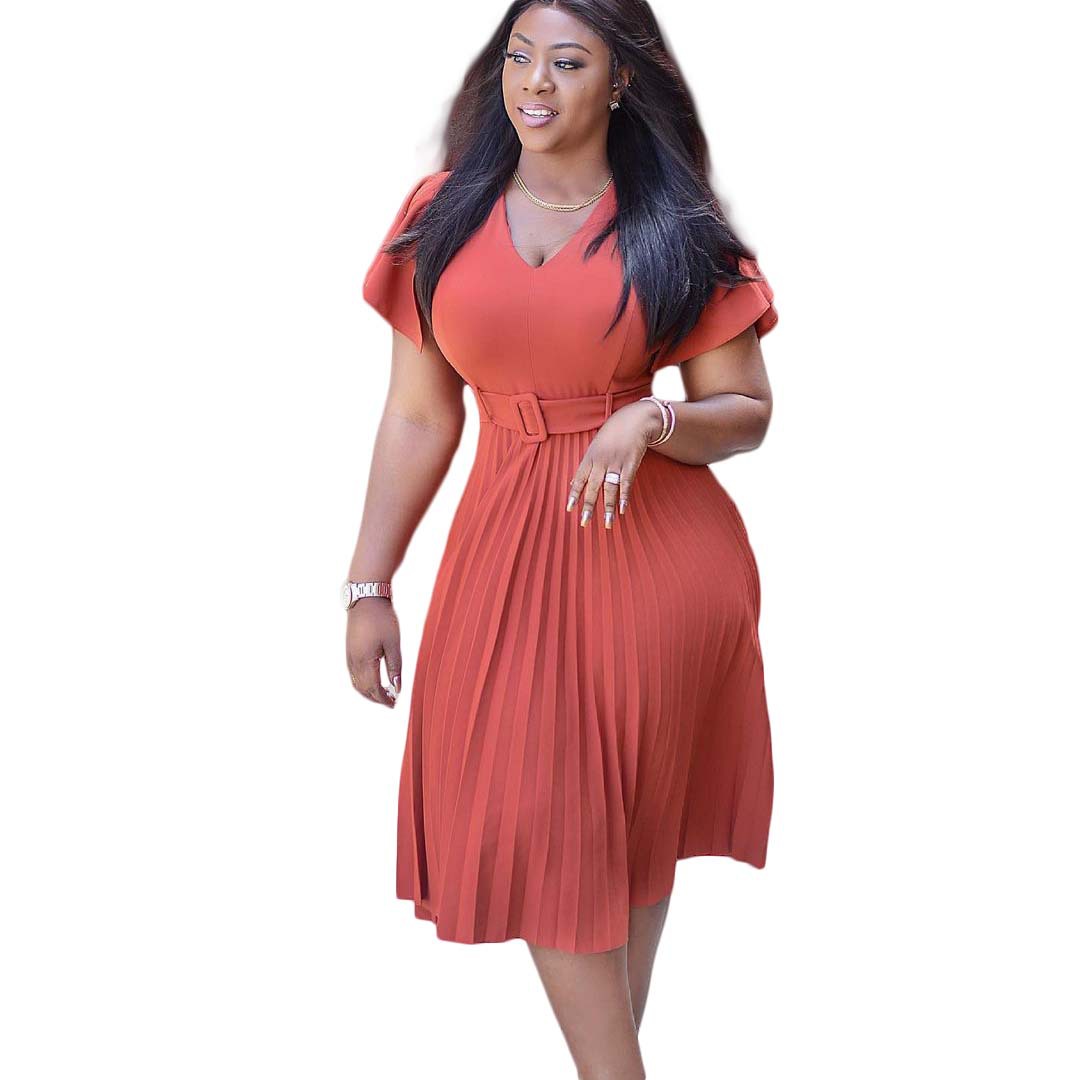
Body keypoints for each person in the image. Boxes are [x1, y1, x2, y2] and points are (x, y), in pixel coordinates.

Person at [344, 2, 778, 1076]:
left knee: (621, 832)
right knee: (547, 823)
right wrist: (369, 583)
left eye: (568, 62)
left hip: (656, 561)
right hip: (503, 550)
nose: (534, 82)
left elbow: (747, 411)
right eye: (519, 56)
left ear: (620, 80)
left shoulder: (675, 226)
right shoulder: (442, 213)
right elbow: (418, 415)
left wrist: (652, 417)